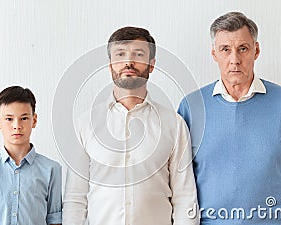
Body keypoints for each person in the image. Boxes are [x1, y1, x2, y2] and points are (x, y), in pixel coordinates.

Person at [178, 12, 281, 224]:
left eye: (242, 49)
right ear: (214, 54)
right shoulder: (191, 107)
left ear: (256, 50)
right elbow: (178, 183)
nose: (234, 59)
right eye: (225, 50)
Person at [63, 26, 199, 225]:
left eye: (138, 54)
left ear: (151, 65)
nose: (128, 62)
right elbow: (75, 198)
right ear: (110, 65)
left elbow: (185, 196)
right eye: (120, 54)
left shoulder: (174, 124)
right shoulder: (85, 124)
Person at [0, 86, 62, 225]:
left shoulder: (51, 170)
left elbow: (54, 219)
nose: (17, 126)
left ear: (34, 120)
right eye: (9, 119)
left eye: (24, 118)